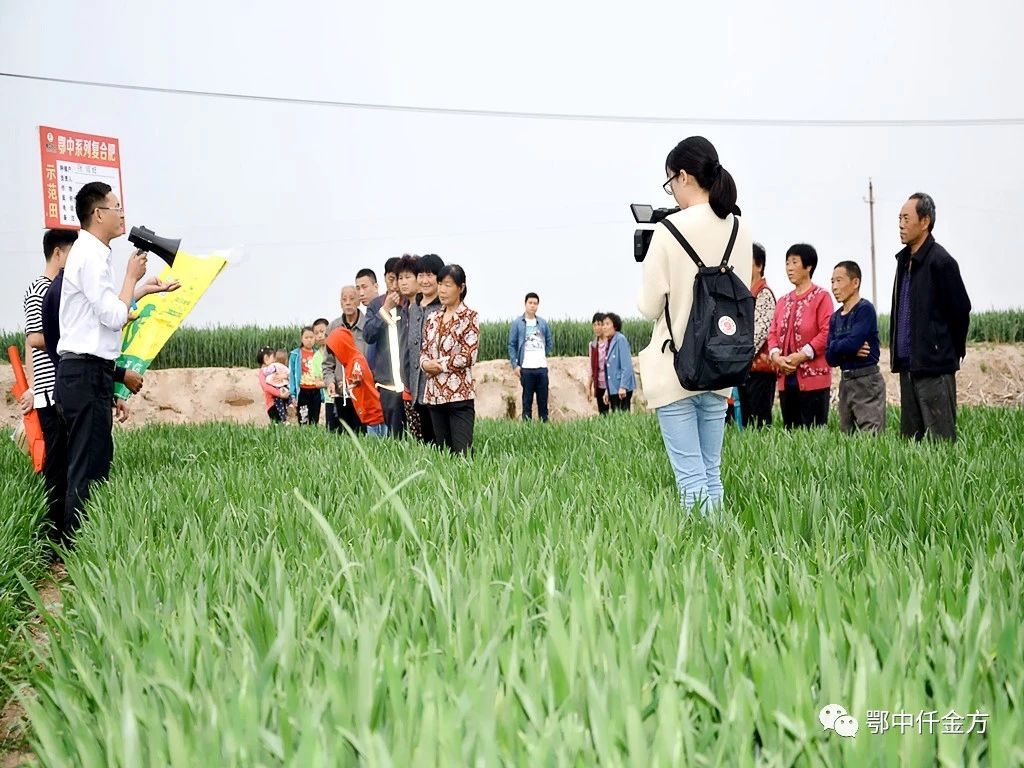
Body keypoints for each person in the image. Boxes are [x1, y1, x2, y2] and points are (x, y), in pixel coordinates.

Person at [637, 136, 753, 513]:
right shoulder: (739, 227)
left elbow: (649, 306)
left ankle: (700, 549)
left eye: (670, 182)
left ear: (684, 176)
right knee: (711, 473)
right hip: (720, 364)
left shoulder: (669, 229)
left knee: (690, 478)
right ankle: (722, 545)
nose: (672, 191)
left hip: (676, 367)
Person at [55, 182, 173, 541]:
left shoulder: (93, 254)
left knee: (95, 459)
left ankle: (82, 542)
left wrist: (141, 288)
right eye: (116, 207)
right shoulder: (90, 256)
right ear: (98, 214)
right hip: (85, 372)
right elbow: (112, 316)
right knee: (88, 466)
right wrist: (131, 277)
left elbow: (106, 307)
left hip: (89, 372)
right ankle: (77, 546)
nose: (122, 214)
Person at [890, 193, 971, 441]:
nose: (901, 224)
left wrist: (943, 351)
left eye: (906, 218)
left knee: (941, 442)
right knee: (910, 444)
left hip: (934, 367)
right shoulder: (903, 261)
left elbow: (960, 311)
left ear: (924, 221)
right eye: (899, 219)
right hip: (908, 366)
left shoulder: (941, 261)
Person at [19, 229, 77, 545]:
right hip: (48, 396)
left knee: (66, 468)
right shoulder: (40, 289)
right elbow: (34, 338)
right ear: (58, 253)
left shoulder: (58, 289)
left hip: (58, 392)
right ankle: (53, 543)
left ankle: (64, 538)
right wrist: (72, 337)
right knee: (56, 471)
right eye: (72, 253)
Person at [767, 244, 833, 429]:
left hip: (814, 381)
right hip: (786, 379)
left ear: (808, 266)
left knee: (813, 435)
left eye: (794, 262)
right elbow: (772, 333)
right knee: (791, 435)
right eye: (787, 263)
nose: (789, 268)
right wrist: (776, 356)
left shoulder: (822, 297)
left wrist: (801, 355)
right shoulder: (783, 301)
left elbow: (826, 332)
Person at [420, 264, 479, 453]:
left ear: (461, 288)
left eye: (447, 285)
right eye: (440, 284)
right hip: (434, 395)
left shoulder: (469, 317)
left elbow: (468, 355)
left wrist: (439, 365)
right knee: (443, 454)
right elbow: (424, 350)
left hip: (458, 395)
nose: (442, 290)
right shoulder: (433, 318)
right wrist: (425, 364)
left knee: (462, 453)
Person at [826, 261, 886, 435]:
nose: (834, 287)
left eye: (839, 280)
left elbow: (852, 343)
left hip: (866, 381)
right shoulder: (835, 318)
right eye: (832, 281)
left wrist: (840, 347)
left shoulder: (865, 310)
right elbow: (829, 357)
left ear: (855, 282)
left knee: (870, 436)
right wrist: (847, 349)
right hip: (845, 381)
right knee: (847, 436)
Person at [363, 258, 407, 436]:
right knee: (391, 436)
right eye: (391, 279)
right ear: (385, 279)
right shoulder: (376, 305)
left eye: (400, 279)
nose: (395, 285)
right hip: (387, 384)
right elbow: (368, 335)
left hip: (408, 384)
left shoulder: (410, 303)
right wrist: (385, 309)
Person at [404, 253, 445, 444]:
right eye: (420, 275)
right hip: (416, 386)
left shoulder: (444, 308)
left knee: (441, 441)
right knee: (425, 442)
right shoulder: (413, 308)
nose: (425, 280)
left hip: (438, 386)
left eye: (430, 275)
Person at [739, 242, 777, 428]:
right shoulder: (744, 293)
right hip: (744, 369)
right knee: (745, 422)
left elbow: (760, 332)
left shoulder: (764, 294)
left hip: (760, 371)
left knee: (759, 422)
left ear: (759, 266)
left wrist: (738, 356)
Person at [324, 326, 385, 435]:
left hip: (373, 416)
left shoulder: (356, 361)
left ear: (342, 347)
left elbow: (358, 374)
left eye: (335, 351)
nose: (335, 355)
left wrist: (353, 380)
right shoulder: (350, 362)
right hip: (368, 415)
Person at [323, 286, 366, 433]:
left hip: (363, 393)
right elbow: (328, 363)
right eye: (344, 299)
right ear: (340, 303)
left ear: (358, 301)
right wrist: (330, 382)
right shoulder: (333, 328)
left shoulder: (368, 325)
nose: (348, 302)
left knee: (363, 435)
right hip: (341, 393)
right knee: (342, 437)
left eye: (352, 299)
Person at [508, 292, 554, 422]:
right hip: (526, 368)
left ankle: (544, 428)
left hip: (541, 368)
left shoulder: (542, 323)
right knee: (527, 402)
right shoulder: (517, 323)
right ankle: (527, 429)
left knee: (543, 403)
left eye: (535, 303)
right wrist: (515, 365)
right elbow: (511, 345)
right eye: (530, 303)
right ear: (525, 304)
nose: (533, 305)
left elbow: (549, 342)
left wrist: (542, 354)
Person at [395, 254, 423, 438]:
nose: (403, 282)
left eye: (408, 277)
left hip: (422, 385)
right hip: (407, 385)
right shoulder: (403, 309)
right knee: (416, 438)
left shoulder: (423, 310)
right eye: (400, 278)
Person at [289, 326, 324, 426]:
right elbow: (291, 375)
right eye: (306, 337)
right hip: (302, 391)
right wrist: (293, 394)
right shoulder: (295, 354)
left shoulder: (318, 354)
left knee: (314, 419)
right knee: (303, 419)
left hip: (316, 390)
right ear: (301, 339)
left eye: (311, 337)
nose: (309, 340)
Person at [602, 313, 636, 413]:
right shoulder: (608, 342)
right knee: (615, 417)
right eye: (603, 324)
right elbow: (609, 370)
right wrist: (607, 390)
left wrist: (623, 387)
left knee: (623, 417)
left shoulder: (620, 339)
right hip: (613, 388)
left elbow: (626, 366)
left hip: (621, 388)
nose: (604, 327)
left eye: (607, 324)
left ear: (615, 326)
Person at [355, 268, 381, 368]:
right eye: (358, 288)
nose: (361, 293)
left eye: (364, 287)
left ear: (376, 287)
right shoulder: (368, 314)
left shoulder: (386, 309)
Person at [257, 346, 290, 423]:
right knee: (277, 422)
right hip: (272, 403)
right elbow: (266, 387)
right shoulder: (262, 372)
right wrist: (279, 393)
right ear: (266, 358)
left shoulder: (275, 368)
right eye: (273, 357)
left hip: (282, 399)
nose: (275, 360)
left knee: (283, 421)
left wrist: (285, 376)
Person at [587, 312, 610, 415]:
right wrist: (589, 387)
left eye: (599, 324)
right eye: (594, 325)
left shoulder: (610, 343)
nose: (597, 328)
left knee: (615, 413)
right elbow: (591, 367)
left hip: (611, 383)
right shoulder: (592, 345)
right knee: (603, 414)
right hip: (599, 384)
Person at [312, 318, 332, 428]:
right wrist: (330, 382)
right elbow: (317, 383)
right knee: (331, 430)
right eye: (316, 333)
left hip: (343, 398)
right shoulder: (316, 358)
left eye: (322, 331)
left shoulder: (336, 350)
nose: (319, 335)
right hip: (329, 400)